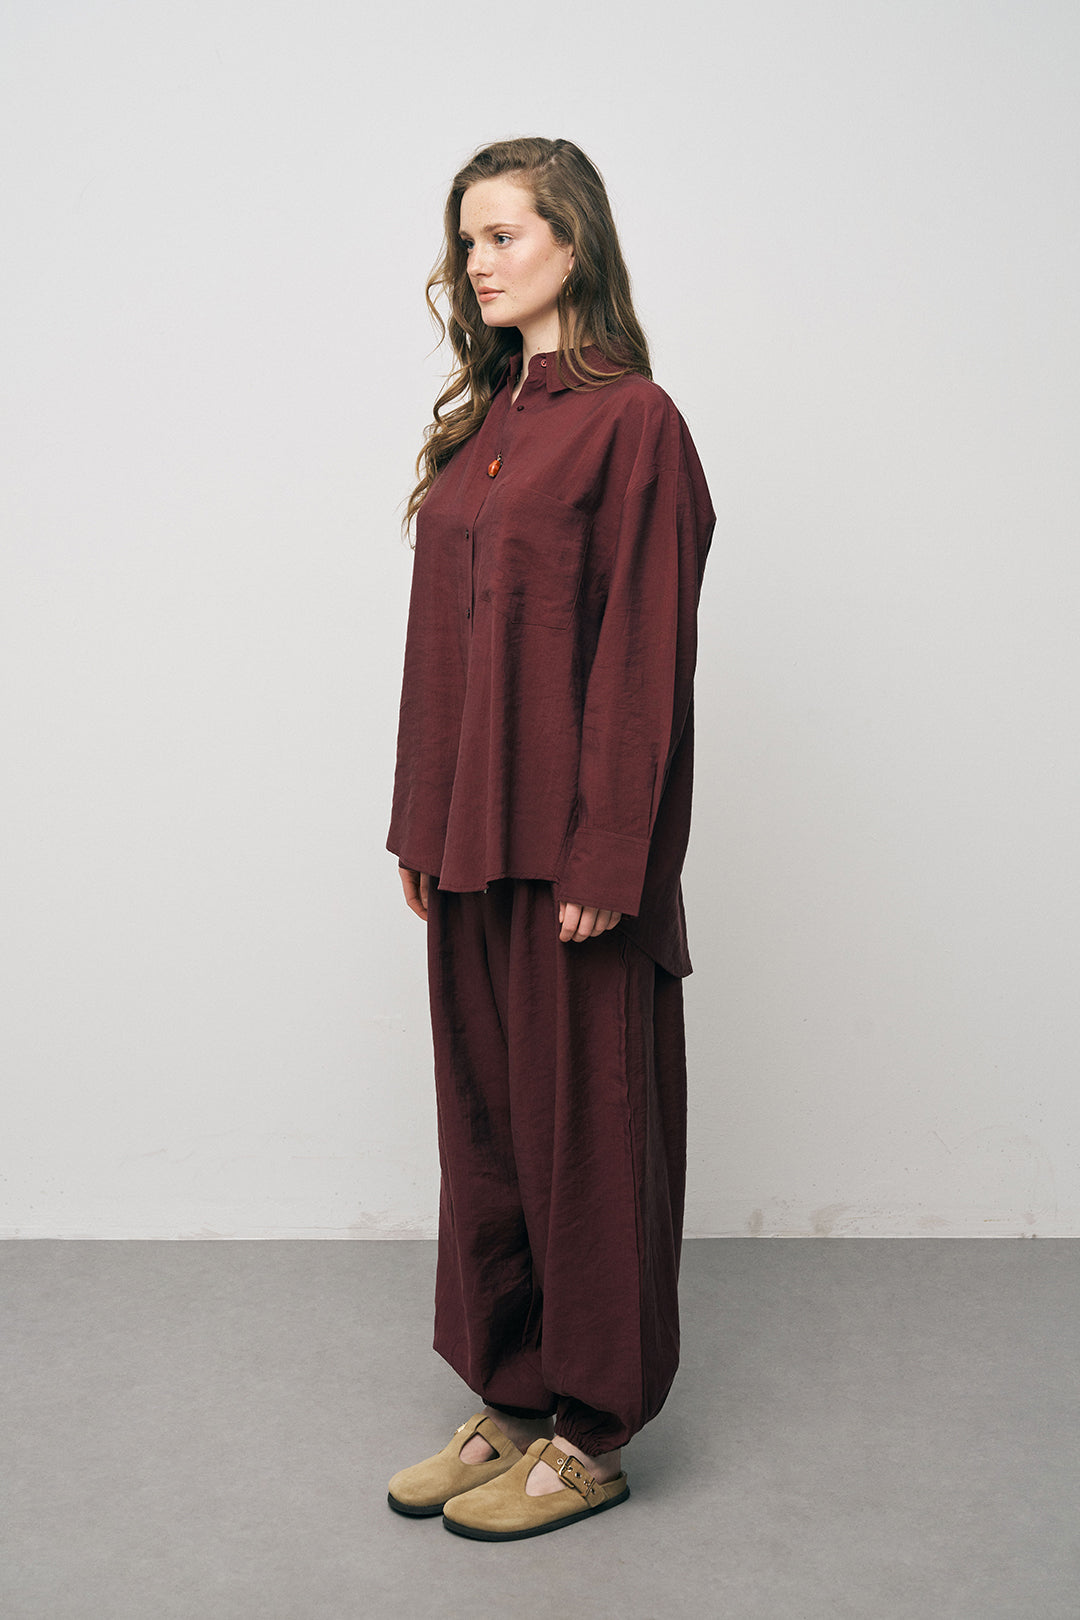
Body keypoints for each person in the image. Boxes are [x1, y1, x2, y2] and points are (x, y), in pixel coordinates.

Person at [384, 136, 715, 1541]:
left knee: (590, 1139)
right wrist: (419, 821)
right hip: (467, 843)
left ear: (573, 243)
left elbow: (643, 658)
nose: (478, 261)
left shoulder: (635, 424)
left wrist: (609, 857)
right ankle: (514, 1400)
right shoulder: (480, 425)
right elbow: (437, 648)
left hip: (576, 858)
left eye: (505, 234)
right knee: (492, 1135)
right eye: (467, 239)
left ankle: (592, 1432)